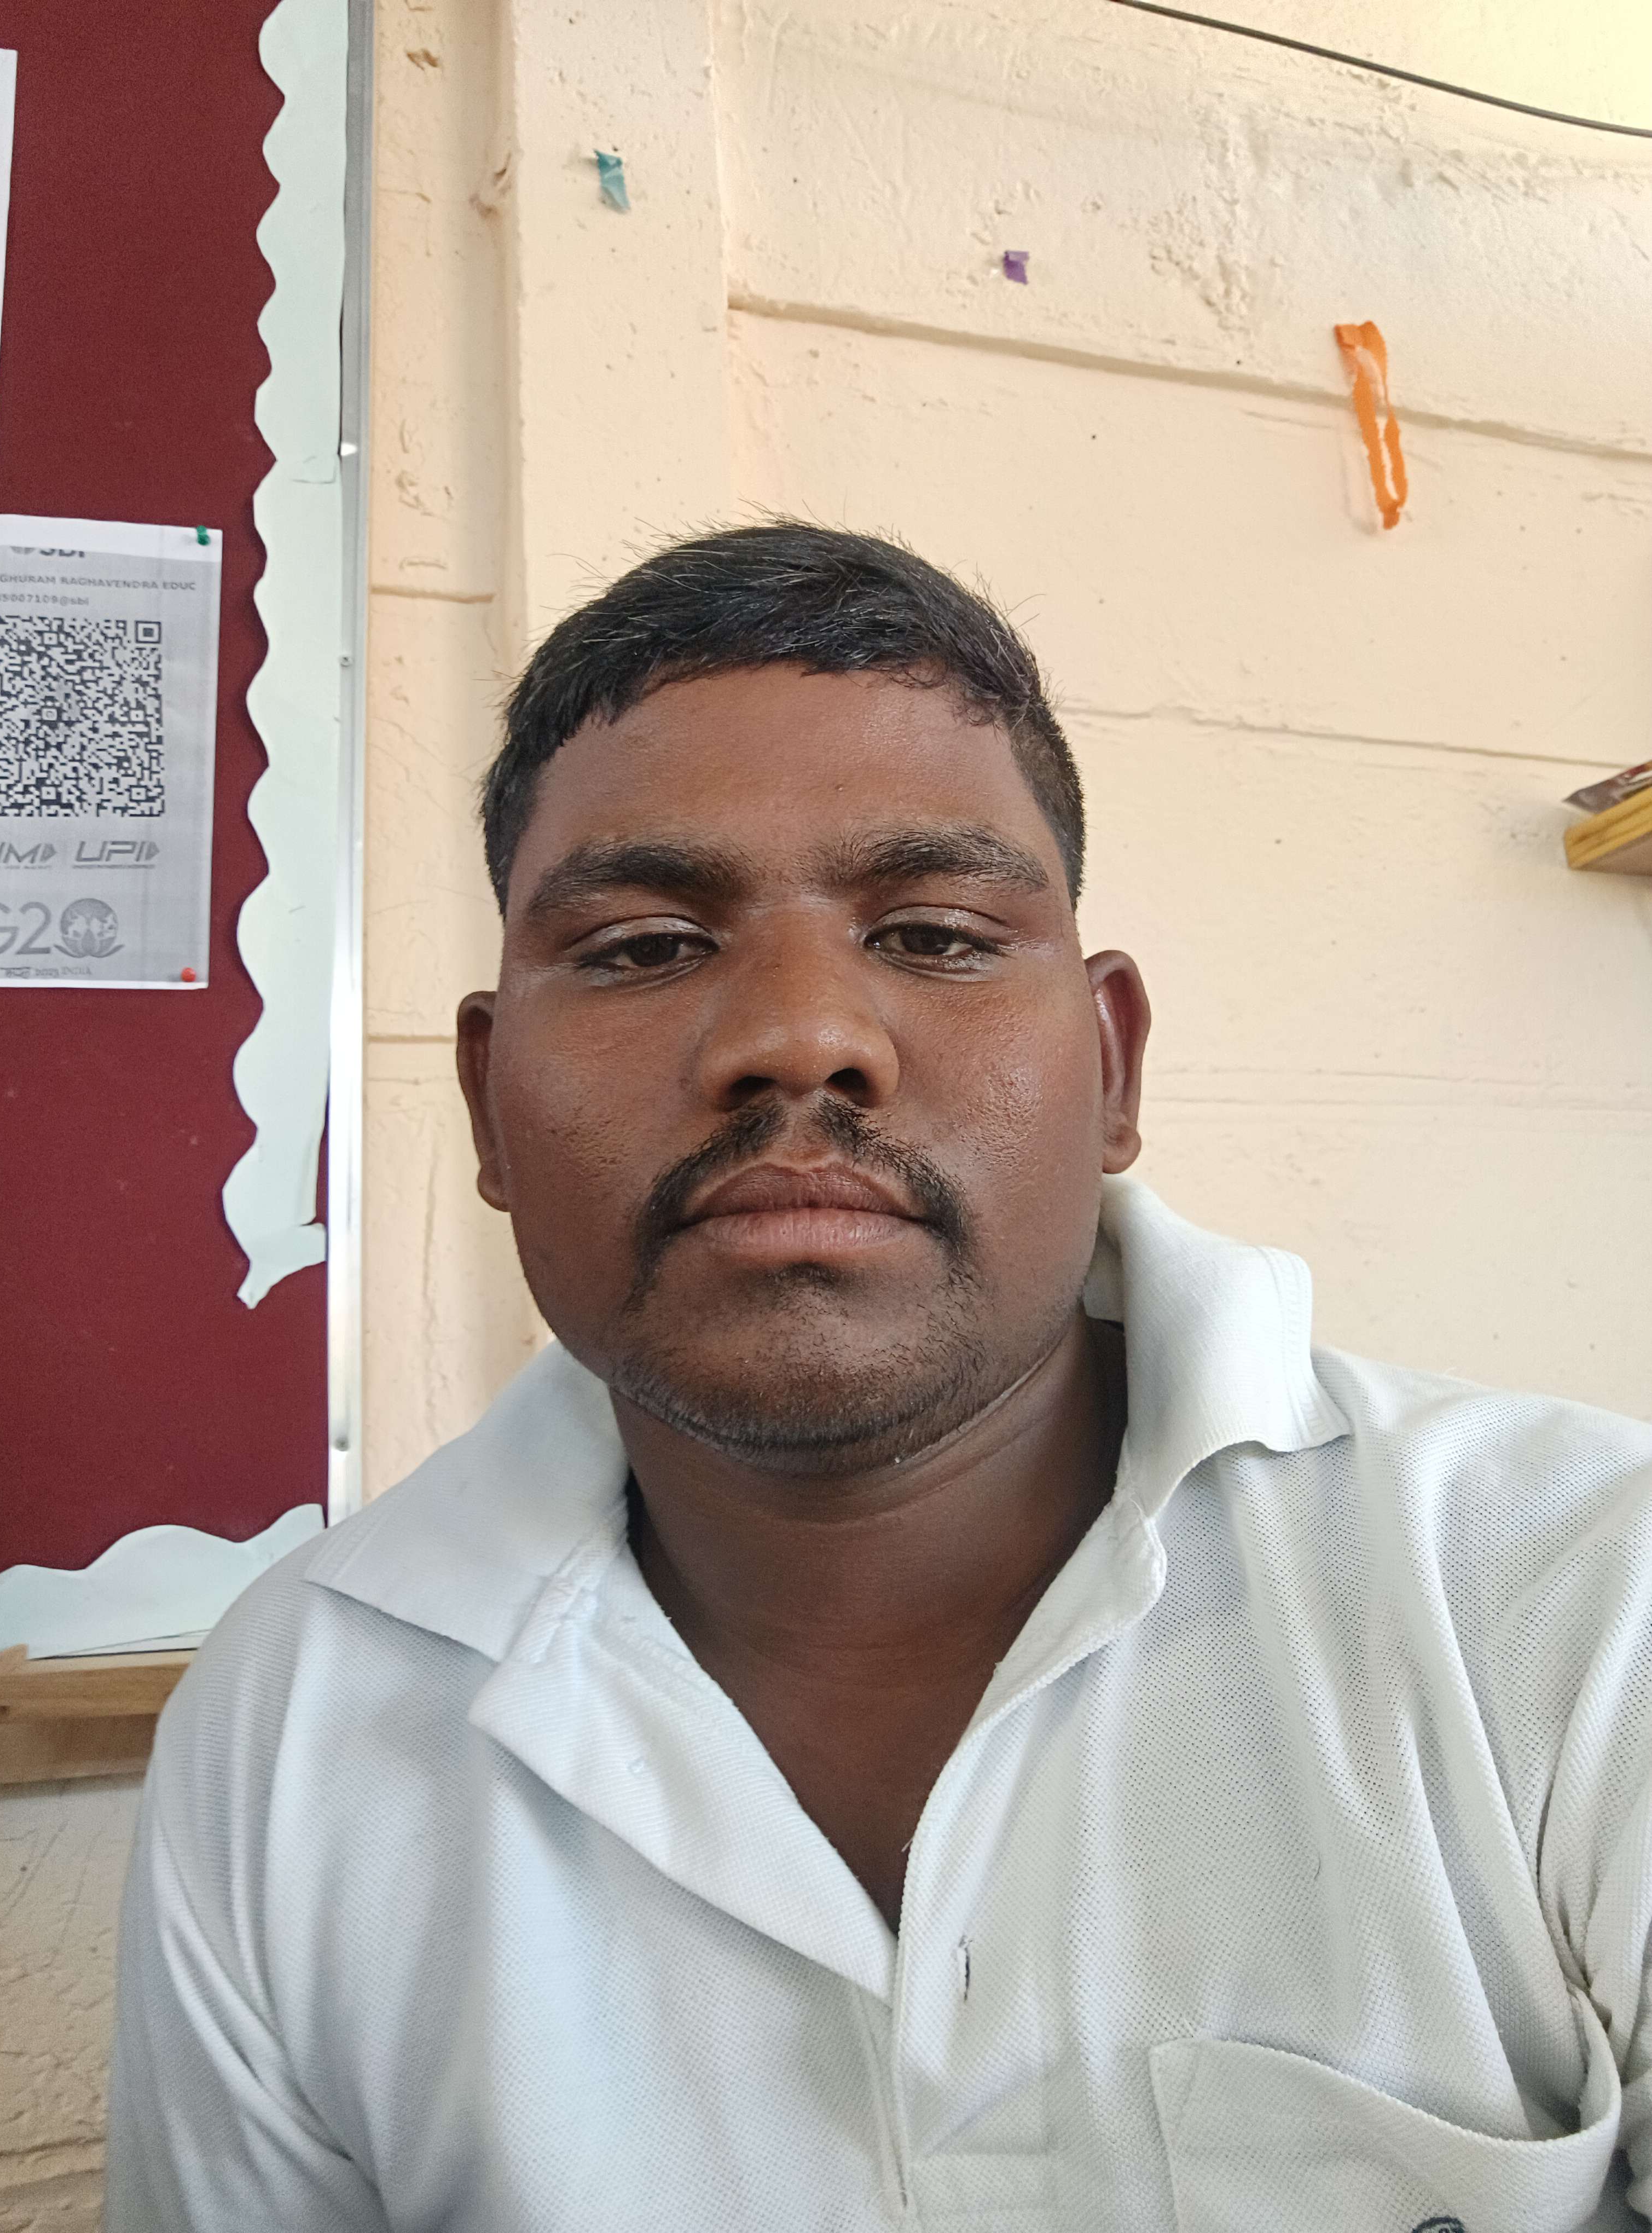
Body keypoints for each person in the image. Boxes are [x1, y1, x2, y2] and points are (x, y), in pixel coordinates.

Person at [107, 523, 1652, 2231]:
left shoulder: (1582, 1600)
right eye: (641, 946)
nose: (799, 1035)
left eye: (930, 932)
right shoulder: (294, 1726)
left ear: (1111, 1067)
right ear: (485, 1104)